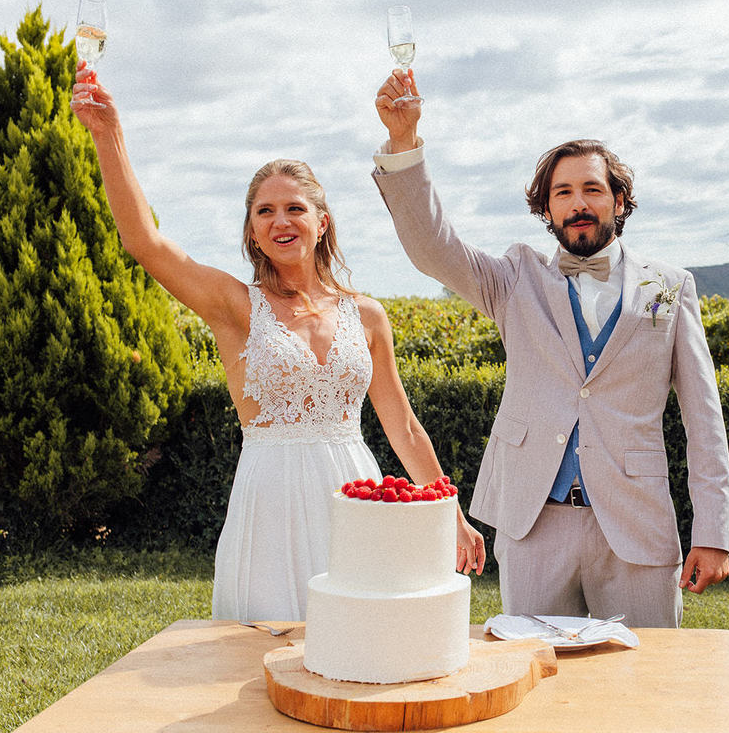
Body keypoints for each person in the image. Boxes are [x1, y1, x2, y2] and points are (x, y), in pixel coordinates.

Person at [71, 62, 485, 622]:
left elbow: (404, 426)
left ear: (322, 222)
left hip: (353, 494)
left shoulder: (367, 315)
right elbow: (144, 241)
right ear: (251, 231)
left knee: (357, 640)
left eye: (294, 208)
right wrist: (109, 134)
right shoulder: (234, 306)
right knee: (262, 652)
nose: (280, 220)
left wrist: (448, 512)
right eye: (264, 211)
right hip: (270, 497)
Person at [371, 69, 729, 628]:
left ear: (618, 200)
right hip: (534, 523)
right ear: (547, 208)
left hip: (636, 526)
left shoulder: (669, 287)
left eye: (592, 189)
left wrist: (713, 532)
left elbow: (704, 419)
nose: (578, 203)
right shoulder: (516, 278)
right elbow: (432, 248)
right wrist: (403, 144)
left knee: (641, 693)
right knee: (535, 688)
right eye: (563, 192)